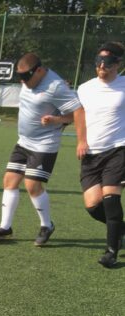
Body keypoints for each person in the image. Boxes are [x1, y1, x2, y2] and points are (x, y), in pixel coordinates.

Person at [0, 52, 84, 246]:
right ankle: (5, 226)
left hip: (44, 143)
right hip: (24, 141)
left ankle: (47, 225)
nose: (23, 82)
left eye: (26, 77)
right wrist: (24, 80)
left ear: (39, 70)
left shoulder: (56, 87)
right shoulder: (28, 81)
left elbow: (76, 113)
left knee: (31, 185)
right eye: (20, 77)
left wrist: (57, 120)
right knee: (9, 180)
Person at [75, 41, 125, 268]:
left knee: (111, 198)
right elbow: (79, 115)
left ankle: (111, 252)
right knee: (93, 205)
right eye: (98, 62)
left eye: (107, 63)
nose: (102, 67)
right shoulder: (85, 88)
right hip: (91, 154)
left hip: (118, 149)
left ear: (118, 64)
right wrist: (80, 140)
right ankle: (120, 231)